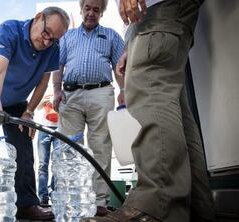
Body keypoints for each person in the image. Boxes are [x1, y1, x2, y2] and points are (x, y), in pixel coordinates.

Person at [81, 0, 216, 221]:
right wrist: (131, 44)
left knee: (150, 87)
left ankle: (156, 207)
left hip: (159, 9)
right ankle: (198, 211)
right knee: (174, 110)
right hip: (156, 16)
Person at [0, 7, 70, 221]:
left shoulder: (52, 48)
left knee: (23, 141)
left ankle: (26, 204)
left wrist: (28, 112)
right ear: (38, 18)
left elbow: (43, 82)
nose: (47, 42)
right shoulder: (9, 31)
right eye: (46, 33)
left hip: (15, 102)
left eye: (53, 39)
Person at [52, 0, 125, 216]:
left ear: (102, 13)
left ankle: (99, 201)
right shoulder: (67, 36)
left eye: (96, 9)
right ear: (81, 9)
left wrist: (124, 90)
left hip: (101, 93)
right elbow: (58, 65)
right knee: (70, 149)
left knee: (101, 146)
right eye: (87, 8)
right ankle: (71, 198)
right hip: (71, 95)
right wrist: (56, 90)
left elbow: (120, 66)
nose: (91, 13)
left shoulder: (111, 35)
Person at [35, 94, 58, 205]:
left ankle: (54, 193)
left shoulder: (64, 89)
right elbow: (37, 107)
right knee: (42, 164)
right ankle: (43, 197)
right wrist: (45, 100)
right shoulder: (45, 90)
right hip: (43, 128)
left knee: (58, 164)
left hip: (60, 128)